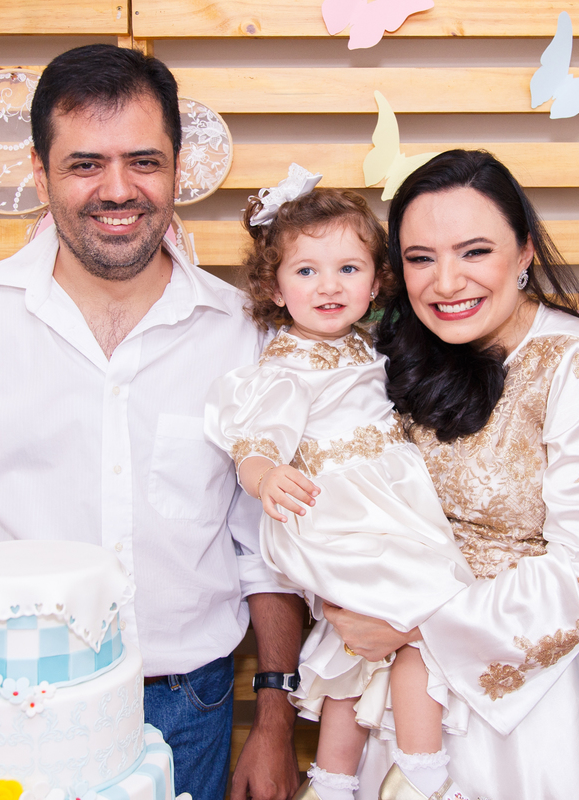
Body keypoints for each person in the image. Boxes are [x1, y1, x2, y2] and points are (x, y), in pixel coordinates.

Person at [0, 44, 305, 800]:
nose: (118, 189)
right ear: (39, 170)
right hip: (1, 713)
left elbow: (267, 548)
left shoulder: (241, 331)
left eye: (144, 162)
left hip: (190, 707)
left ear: (178, 169)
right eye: (85, 163)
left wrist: (276, 719)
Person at [319, 149, 579, 799]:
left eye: (474, 252)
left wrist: (415, 622)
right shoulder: (388, 356)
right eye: (420, 258)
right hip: (392, 690)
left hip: (530, 699)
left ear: (525, 251)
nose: (445, 283)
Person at [206, 184, 479, 800]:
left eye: (348, 269)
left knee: (350, 647)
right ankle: (424, 774)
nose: (329, 287)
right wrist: (265, 477)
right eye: (306, 271)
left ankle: (331, 781)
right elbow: (252, 441)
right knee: (423, 621)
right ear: (275, 288)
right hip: (339, 516)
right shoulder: (284, 368)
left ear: (376, 281)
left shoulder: (364, 344)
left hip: (383, 509)